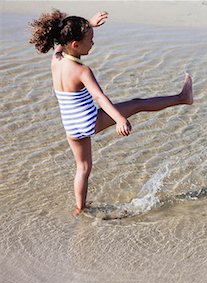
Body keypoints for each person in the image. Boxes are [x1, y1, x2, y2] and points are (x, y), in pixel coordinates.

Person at [29, 10, 193, 216]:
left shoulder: (56, 59)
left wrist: (88, 24)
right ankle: (182, 98)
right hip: (90, 121)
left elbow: (63, 40)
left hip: (71, 126)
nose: (93, 43)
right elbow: (99, 97)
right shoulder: (82, 70)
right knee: (137, 103)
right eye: (90, 40)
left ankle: (79, 208)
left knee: (83, 168)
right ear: (75, 45)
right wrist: (120, 119)